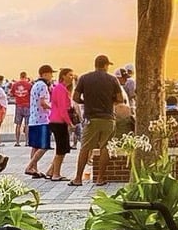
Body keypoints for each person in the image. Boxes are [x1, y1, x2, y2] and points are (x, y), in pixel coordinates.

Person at [70, 54, 123, 187]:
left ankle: (78, 179)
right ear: (106, 65)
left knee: (85, 148)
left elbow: (75, 97)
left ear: (95, 64)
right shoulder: (112, 79)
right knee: (105, 148)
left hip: (90, 118)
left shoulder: (84, 78)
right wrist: (110, 102)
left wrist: (85, 102)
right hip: (108, 118)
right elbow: (120, 99)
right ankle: (100, 178)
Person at [24, 64, 54, 177]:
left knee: (35, 146)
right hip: (42, 120)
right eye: (51, 74)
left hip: (33, 119)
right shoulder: (43, 86)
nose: (51, 76)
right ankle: (30, 166)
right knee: (44, 146)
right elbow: (43, 103)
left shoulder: (35, 85)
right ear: (45, 74)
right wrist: (54, 107)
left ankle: (34, 170)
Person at [46, 68, 74, 181]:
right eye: (70, 75)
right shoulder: (61, 89)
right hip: (59, 121)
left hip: (56, 120)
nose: (72, 77)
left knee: (63, 147)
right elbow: (63, 109)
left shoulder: (60, 88)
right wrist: (70, 123)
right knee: (61, 148)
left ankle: (51, 170)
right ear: (63, 76)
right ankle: (56, 174)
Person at [10, 71, 32, 147]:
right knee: (27, 124)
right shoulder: (29, 85)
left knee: (18, 124)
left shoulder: (15, 84)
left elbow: (11, 94)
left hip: (18, 105)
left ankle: (17, 142)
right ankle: (27, 142)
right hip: (27, 106)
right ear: (26, 77)